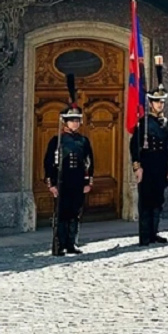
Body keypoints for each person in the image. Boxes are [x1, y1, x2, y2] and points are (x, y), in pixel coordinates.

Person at [132, 60, 168, 244]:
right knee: (146, 201)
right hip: (147, 166)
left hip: (160, 167)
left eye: (162, 102)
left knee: (158, 201)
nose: (160, 105)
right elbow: (134, 145)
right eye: (157, 102)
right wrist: (137, 167)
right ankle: (144, 235)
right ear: (150, 103)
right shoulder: (143, 123)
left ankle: (155, 232)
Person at [46, 102, 95, 255]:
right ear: (65, 122)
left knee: (75, 213)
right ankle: (59, 244)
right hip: (62, 182)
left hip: (77, 182)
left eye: (77, 120)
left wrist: (88, 182)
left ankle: (72, 243)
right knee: (61, 214)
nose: (75, 123)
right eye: (72, 120)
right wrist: (51, 183)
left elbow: (89, 162)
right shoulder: (57, 140)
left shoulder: (83, 141)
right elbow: (49, 163)